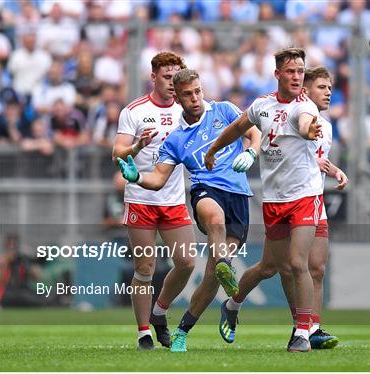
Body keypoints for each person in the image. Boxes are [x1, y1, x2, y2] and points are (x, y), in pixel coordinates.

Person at [116, 68, 261, 353]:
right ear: (179, 99)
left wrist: (251, 152)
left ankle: (183, 329)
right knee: (214, 219)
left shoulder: (225, 110)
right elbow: (157, 180)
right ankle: (224, 264)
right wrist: (136, 178)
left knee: (209, 277)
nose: (194, 98)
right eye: (187, 95)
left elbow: (254, 133)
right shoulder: (176, 139)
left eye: (197, 91)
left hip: (239, 196)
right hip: (206, 191)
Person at [216, 66, 348, 350]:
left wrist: (335, 170)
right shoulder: (292, 113)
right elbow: (288, 144)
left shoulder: (325, 125)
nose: (328, 92)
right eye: (322, 87)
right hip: (281, 198)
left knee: (316, 268)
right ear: (306, 92)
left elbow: (316, 159)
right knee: (271, 267)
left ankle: (309, 329)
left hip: (310, 198)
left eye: (330, 87)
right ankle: (233, 304)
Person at [112, 52, 196, 350]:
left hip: (173, 200)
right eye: (167, 77)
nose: (173, 83)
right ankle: (144, 331)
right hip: (141, 199)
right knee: (145, 267)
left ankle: (159, 311)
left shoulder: (189, 110)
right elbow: (117, 154)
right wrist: (137, 145)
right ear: (154, 77)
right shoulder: (134, 111)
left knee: (186, 262)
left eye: (177, 76)